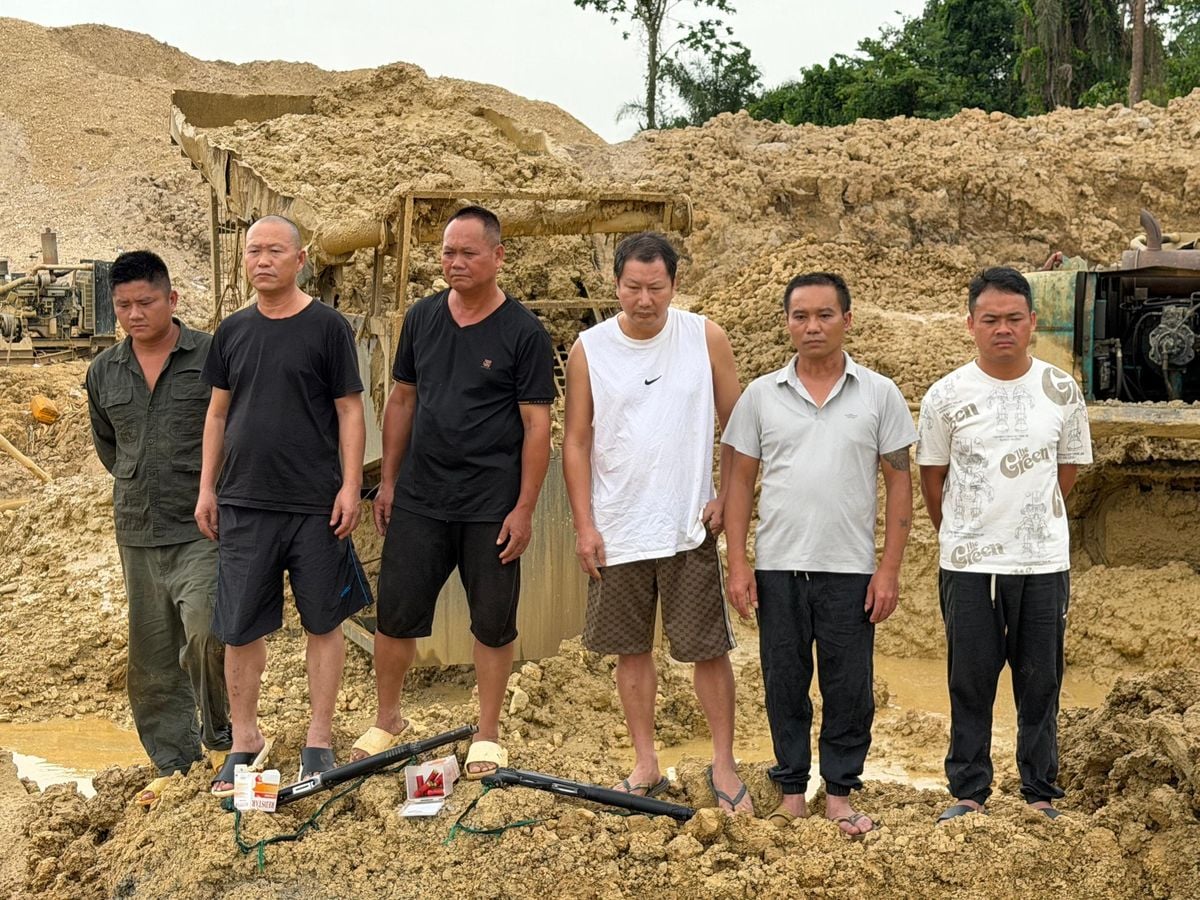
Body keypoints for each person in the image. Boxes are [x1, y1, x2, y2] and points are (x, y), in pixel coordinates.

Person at [358, 206, 554, 777]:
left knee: (492, 622)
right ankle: (387, 718)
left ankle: (487, 733)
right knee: (395, 614)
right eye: (448, 252)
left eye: (469, 252)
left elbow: (537, 426)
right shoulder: (422, 318)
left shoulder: (523, 332)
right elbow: (402, 400)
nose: (456, 262)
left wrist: (524, 508)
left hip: (491, 505)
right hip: (421, 496)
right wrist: (388, 481)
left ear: (498, 256)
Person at [562, 231, 750, 813]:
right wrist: (584, 525)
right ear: (616, 284)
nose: (644, 300)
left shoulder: (704, 336)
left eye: (656, 287)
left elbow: (740, 426)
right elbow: (576, 440)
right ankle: (645, 763)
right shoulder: (589, 349)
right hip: (618, 527)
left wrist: (726, 495)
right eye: (633, 287)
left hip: (687, 525)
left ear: (674, 284)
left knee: (708, 650)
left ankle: (724, 762)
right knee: (630, 650)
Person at [722, 272, 916, 837]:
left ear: (847, 320)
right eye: (800, 316)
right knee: (783, 681)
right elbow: (739, 483)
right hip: (778, 566)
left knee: (849, 687)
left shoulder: (879, 394)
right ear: (787, 323)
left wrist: (889, 569)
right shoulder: (762, 396)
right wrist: (738, 564)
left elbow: (899, 484)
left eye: (825, 315)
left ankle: (839, 795)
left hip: (850, 570)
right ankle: (790, 794)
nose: (812, 326)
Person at [197, 215, 370, 795]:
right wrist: (207, 487)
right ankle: (245, 739)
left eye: (275, 250)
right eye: (254, 251)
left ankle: (319, 739)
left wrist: (350, 486)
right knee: (239, 626)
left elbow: (349, 409)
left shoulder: (327, 328)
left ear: (300, 260)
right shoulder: (232, 331)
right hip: (244, 501)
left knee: (324, 620)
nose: (262, 260)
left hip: (317, 503)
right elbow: (217, 413)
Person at [916, 266, 1092, 823]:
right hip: (969, 564)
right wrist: (966, 531)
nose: (1003, 329)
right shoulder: (946, 395)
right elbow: (932, 478)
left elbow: (1067, 469)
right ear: (970, 324)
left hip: (1042, 562)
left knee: (1041, 681)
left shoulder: (1060, 390)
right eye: (990, 319)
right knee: (969, 681)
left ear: (1033, 322)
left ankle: (1039, 792)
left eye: (1014, 318)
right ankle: (969, 791)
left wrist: (1030, 518)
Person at [86, 250, 231, 808]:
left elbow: (235, 428)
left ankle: (222, 743)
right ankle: (174, 762)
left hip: (201, 527)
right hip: (138, 531)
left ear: (172, 299)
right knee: (150, 657)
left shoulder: (212, 355)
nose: (134, 314)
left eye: (145, 302)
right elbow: (110, 446)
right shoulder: (104, 371)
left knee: (206, 633)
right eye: (123, 305)